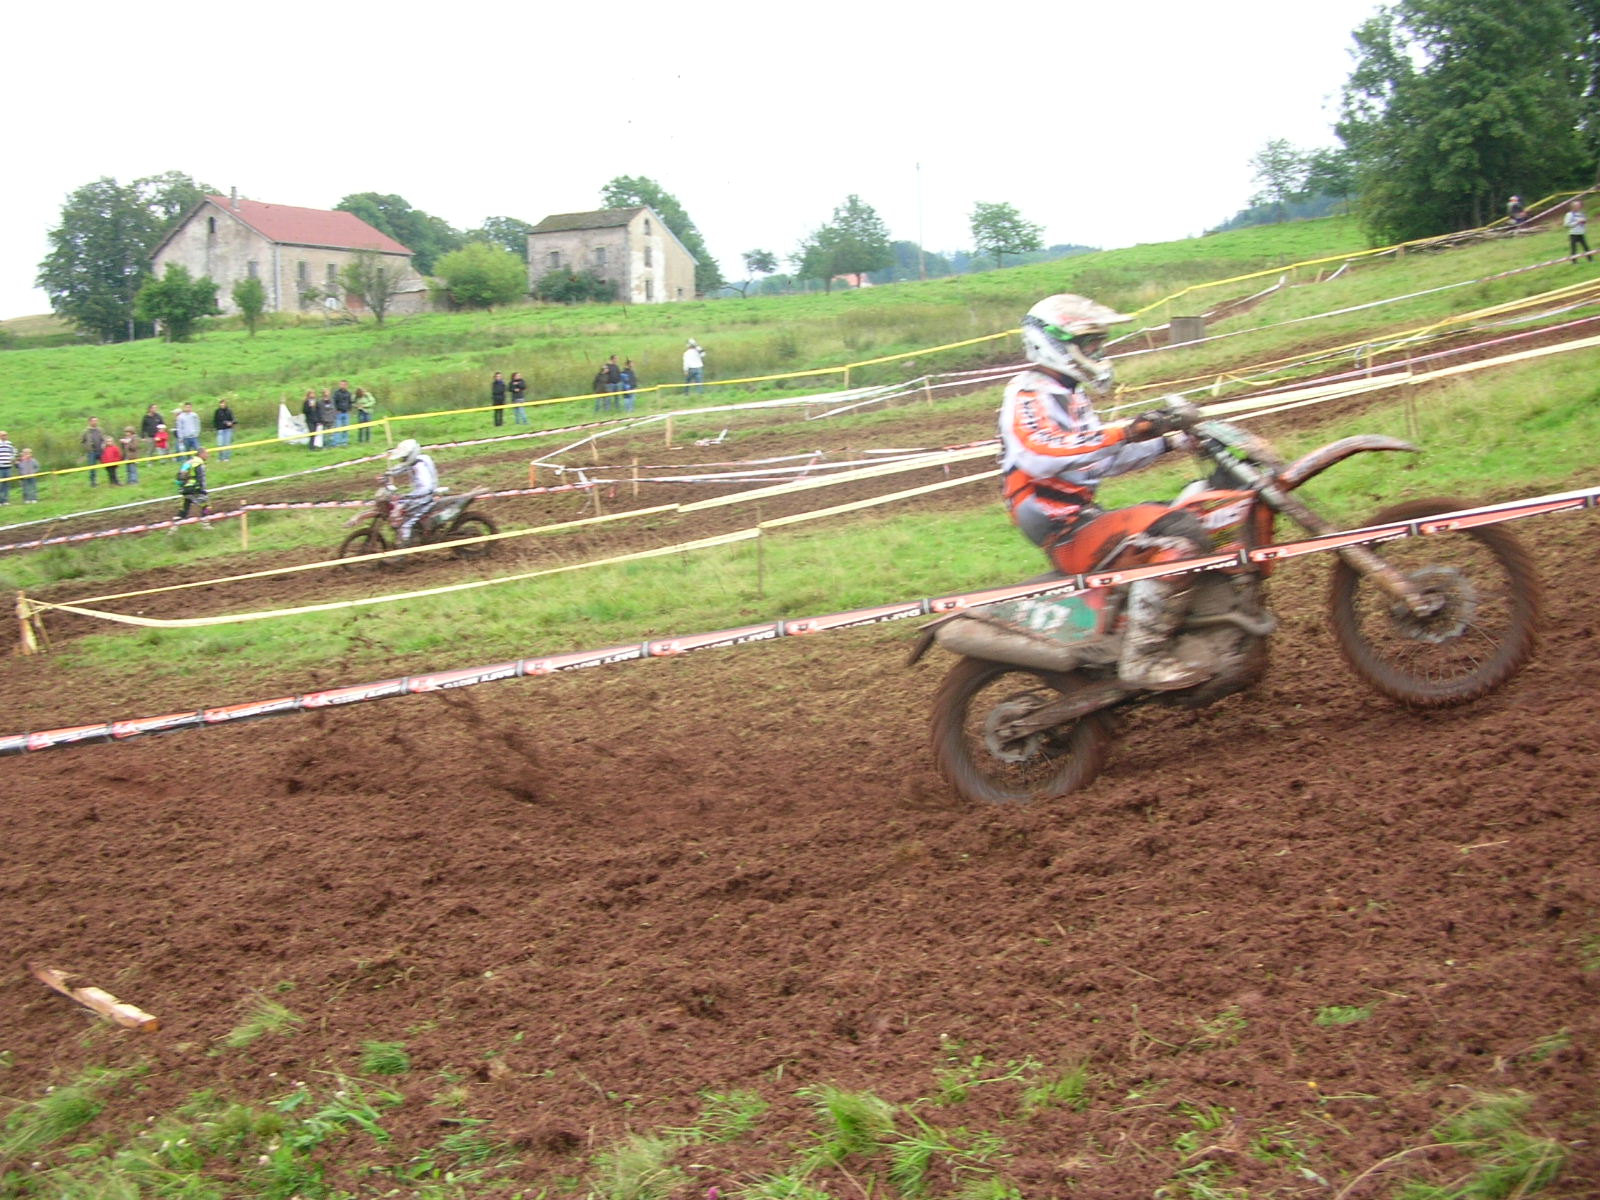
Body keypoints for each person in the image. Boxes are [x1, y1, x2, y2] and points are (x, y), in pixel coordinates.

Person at [999, 293, 1209, 692]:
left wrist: (1170, 441)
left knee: (1198, 511)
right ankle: (1144, 659)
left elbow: (1101, 460)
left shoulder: (1070, 393)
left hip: (1082, 517)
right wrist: (1126, 429)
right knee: (1177, 543)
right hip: (1062, 528)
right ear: (1055, 343)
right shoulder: (1029, 394)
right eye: (1089, 344)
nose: (1097, 351)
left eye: (1099, 343)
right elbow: (1043, 452)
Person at [383, 437, 439, 546]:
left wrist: (408, 496)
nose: (403, 460)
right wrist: (388, 473)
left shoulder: (420, 467)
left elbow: (426, 488)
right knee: (402, 506)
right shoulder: (417, 460)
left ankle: (401, 555)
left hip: (424, 497)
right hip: (421, 495)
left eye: (404, 458)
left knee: (406, 522)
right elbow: (402, 468)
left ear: (411, 455)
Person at [175, 446, 211, 521]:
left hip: (186, 489)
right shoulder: (199, 463)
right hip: (195, 489)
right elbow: (201, 478)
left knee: (184, 508)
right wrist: (202, 490)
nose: (208, 455)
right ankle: (205, 523)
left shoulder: (188, 462)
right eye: (206, 453)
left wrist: (181, 487)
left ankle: (174, 527)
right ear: (201, 454)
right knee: (207, 507)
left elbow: (179, 476)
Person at [81, 417, 107, 487]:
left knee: (108, 465)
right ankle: (93, 482)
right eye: (93, 421)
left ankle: (113, 479)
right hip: (91, 452)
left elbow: (104, 439)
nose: (95, 422)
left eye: (96, 421)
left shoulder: (100, 430)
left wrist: (104, 444)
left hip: (100, 451)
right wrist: (87, 448)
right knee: (92, 468)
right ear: (89, 422)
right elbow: (82, 442)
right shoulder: (86, 431)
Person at [213, 396, 237, 461]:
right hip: (220, 430)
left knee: (227, 444)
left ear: (226, 404)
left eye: (223, 403)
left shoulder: (229, 411)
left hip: (228, 430)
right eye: (221, 403)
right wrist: (217, 427)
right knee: (220, 444)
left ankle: (226, 458)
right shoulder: (217, 411)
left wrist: (231, 423)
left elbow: (234, 420)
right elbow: (215, 421)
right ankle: (220, 458)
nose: (222, 405)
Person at [331, 380, 353, 447]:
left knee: (345, 428)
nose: (342, 386)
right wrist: (336, 410)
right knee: (337, 428)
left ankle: (344, 442)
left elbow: (350, 402)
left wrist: (349, 409)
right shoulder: (336, 393)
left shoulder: (348, 393)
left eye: (344, 384)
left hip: (346, 413)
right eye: (341, 384)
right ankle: (336, 442)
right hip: (339, 413)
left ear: (346, 385)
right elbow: (334, 402)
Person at [0, 429, 15, 504]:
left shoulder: (9, 443)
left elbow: (14, 451)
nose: (5, 436)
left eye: (6, 435)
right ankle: (0, 500)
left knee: (7, 484)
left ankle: (5, 500)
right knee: (0, 484)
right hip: (0, 467)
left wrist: (12, 458)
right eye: (3, 435)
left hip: (8, 467)